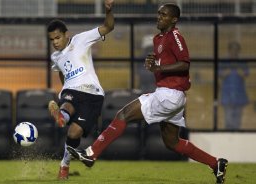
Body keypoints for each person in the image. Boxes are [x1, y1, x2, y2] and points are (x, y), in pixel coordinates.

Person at [67, 3, 228, 184]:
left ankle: (91, 154)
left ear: (174, 19)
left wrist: (159, 67)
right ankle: (216, 163)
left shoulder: (175, 36)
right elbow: (164, 67)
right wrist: (154, 66)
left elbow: (184, 63)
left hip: (170, 94)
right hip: (171, 95)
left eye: (164, 15)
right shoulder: (158, 38)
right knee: (172, 142)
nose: (159, 17)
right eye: (159, 13)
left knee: (123, 114)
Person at [47, 0, 114, 180]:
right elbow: (62, 73)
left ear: (66, 35)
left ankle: (64, 165)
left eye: (57, 38)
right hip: (72, 91)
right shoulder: (56, 56)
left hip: (93, 94)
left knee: (73, 133)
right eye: (52, 39)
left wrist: (108, 10)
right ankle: (62, 115)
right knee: (67, 101)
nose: (55, 42)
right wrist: (65, 87)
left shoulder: (82, 39)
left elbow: (108, 26)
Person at [219, 41, 249, 130]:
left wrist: (241, 73)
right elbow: (220, 73)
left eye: (236, 50)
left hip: (239, 95)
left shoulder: (242, 62)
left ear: (238, 51)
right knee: (228, 120)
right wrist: (226, 72)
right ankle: (228, 138)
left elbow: (245, 73)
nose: (234, 52)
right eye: (232, 49)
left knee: (237, 121)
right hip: (227, 95)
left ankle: (236, 138)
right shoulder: (224, 62)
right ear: (229, 50)